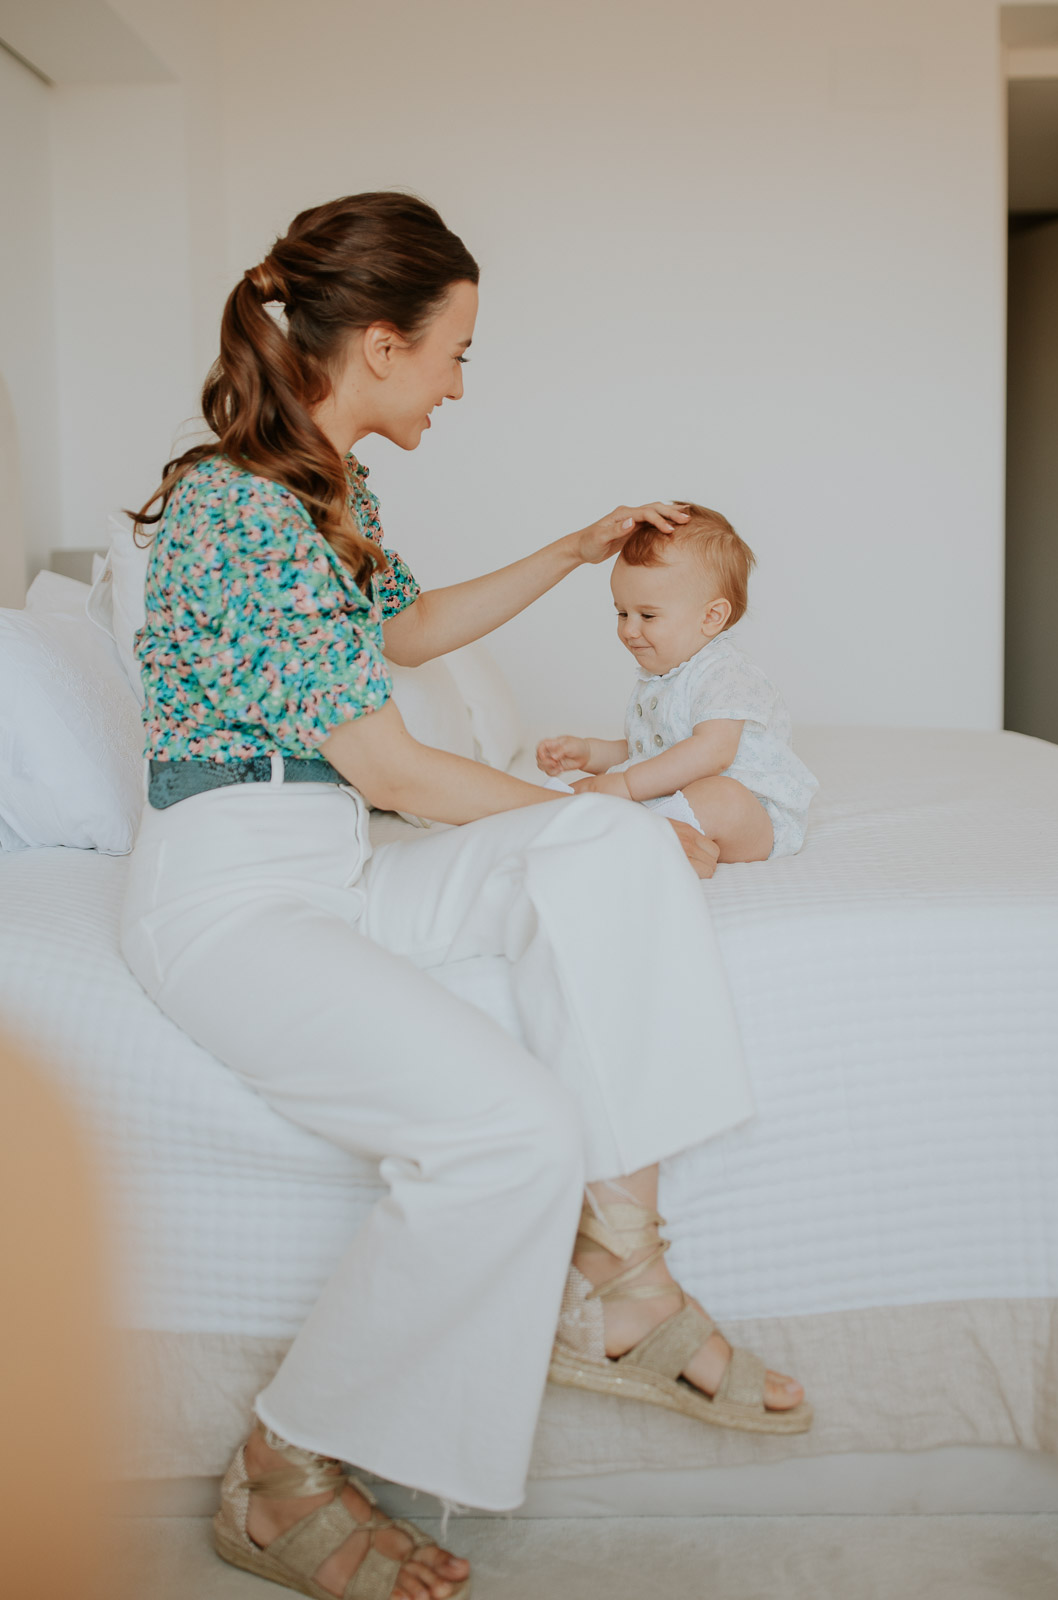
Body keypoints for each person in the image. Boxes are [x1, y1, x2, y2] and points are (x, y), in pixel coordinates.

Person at [120, 193, 809, 1600]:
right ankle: (279, 1471)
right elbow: (396, 766)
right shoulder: (235, 504)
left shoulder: (326, 484)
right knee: (509, 1128)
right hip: (231, 894)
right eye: (455, 353)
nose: (457, 382)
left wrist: (570, 550)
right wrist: (585, 807)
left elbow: (407, 628)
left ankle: (621, 1271)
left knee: (610, 850)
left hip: (334, 865)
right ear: (380, 342)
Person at [537, 504, 818, 862]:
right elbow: (652, 752)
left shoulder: (725, 672)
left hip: (754, 817)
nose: (628, 629)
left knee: (722, 796)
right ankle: (542, 822)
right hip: (672, 794)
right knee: (572, 796)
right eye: (622, 612)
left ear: (712, 616)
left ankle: (630, 838)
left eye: (647, 615)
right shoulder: (663, 675)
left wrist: (625, 785)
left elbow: (711, 753)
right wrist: (591, 753)